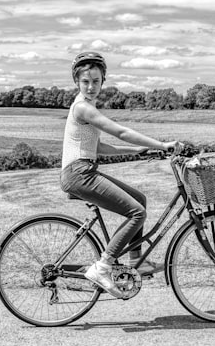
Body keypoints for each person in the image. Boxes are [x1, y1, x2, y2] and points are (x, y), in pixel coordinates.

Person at [60, 51, 179, 297]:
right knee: (137, 212)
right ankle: (103, 266)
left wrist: (139, 151)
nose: (91, 86)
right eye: (85, 81)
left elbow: (100, 147)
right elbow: (121, 132)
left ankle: (137, 261)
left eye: (96, 81)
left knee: (140, 200)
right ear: (76, 82)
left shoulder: (86, 106)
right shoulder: (83, 108)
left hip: (84, 170)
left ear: (103, 81)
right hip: (79, 174)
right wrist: (162, 145)